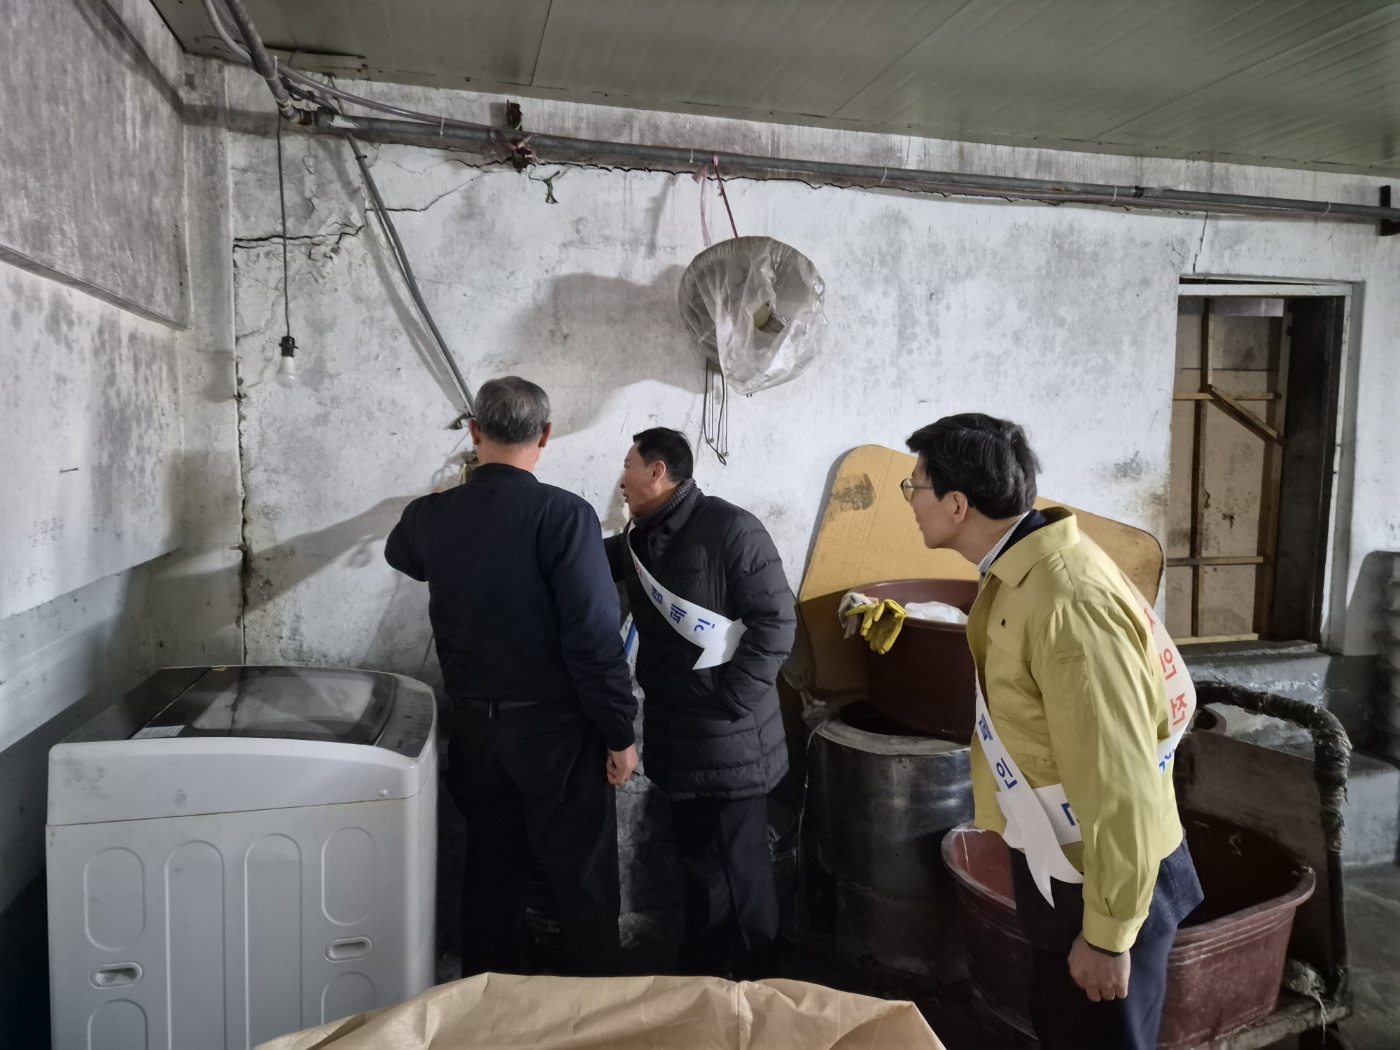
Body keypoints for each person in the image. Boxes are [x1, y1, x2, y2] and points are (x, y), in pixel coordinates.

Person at [902, 413, 1202, 1050]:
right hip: (1066, 865)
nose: (910, 501)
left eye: (915, 487)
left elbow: (1119, 782)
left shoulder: (1067, 600)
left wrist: (1108, 936)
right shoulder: (1023, 571)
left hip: (1109, 882)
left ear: (957, 505)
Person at [384, 376, 638, 978]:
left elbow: (400, 553)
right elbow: (593, 637)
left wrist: (450, 505)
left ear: (475, 433)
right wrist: (619, 732)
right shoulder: (565, 515)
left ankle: (488, 1010)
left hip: (476, 732)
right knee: (582, 886)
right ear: (545, 435)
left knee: (490, 878)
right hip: (557, 737)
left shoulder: (432, 515)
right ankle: (596, 1013)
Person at [604, 427, 795, 980]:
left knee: (742, 870)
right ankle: (706, 981)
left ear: (657, 471)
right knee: (698, 865)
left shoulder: (732, 529)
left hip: (731, 738)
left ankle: (760, 988)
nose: (622, 479)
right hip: (677, 736)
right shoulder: (639, 541)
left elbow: (777, 624)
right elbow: (581, 555)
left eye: (628, 465)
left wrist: (731, 700)